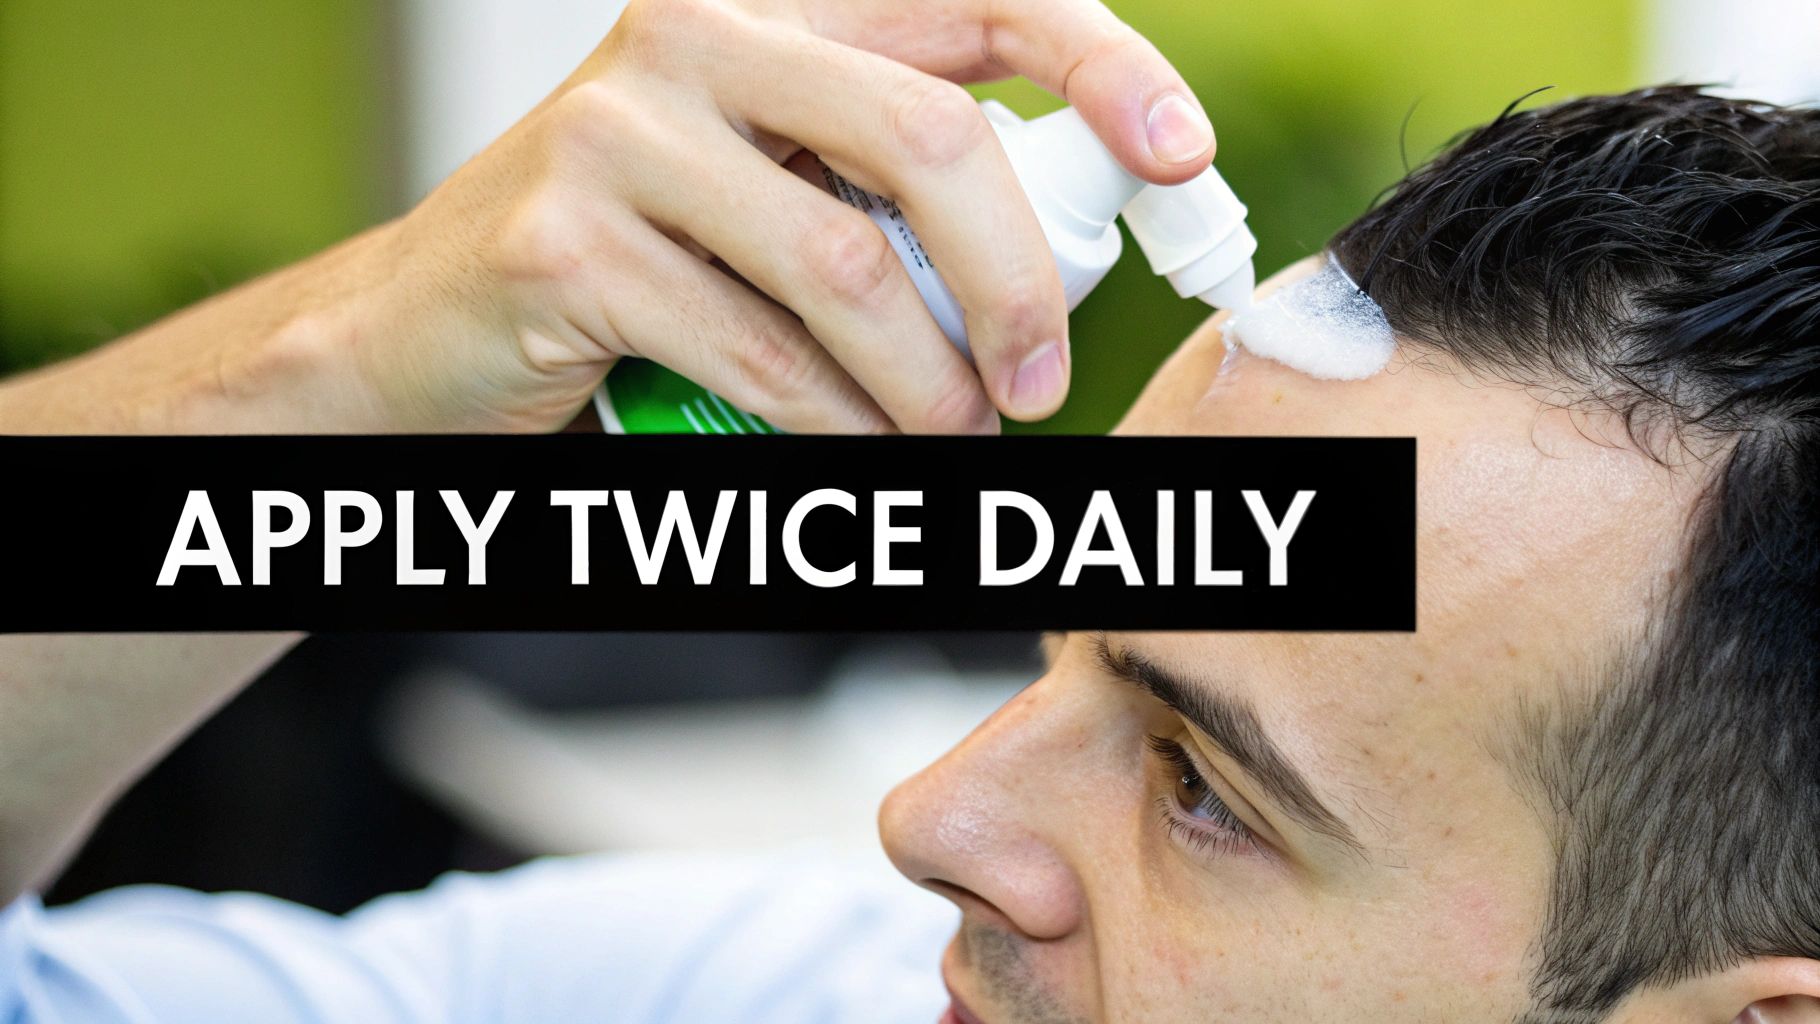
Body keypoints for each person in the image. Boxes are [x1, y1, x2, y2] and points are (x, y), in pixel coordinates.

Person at [0, 8, 1815, 1024]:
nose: (927, 819)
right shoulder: (770, 997)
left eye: (1205, 789)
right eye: (1077, 653)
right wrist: (341, 374)